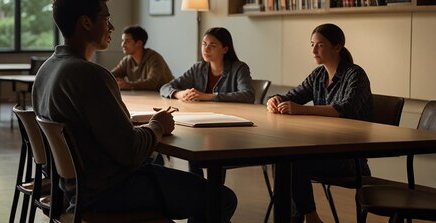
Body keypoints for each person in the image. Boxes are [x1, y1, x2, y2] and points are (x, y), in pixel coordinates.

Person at [32, 0, 237, 222]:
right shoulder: (91, 76)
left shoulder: (47, 70)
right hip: (109, 191)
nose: (111, 26)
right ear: (86, 22)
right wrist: (157, 125)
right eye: (105, 18)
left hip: (72, 188)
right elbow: (130, 152)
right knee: (221, 198)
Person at [266, 23, 373, 223]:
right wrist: (274, 99)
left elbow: (346, 109)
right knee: (283, 161)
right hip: (323, 151)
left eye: (320, 45)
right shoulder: (318, 75)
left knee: (292, 161)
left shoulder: (355, 74)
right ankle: (301, 218)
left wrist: (303, 109)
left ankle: (310, 217)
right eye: (312, 44)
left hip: (349, 159)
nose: (314, 50)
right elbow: (292, 96)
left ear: (337, 46)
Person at [160, 27, 255, 103]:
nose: (206, 49)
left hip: (232, 117)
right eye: (204, 44)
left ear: (225, 49)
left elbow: (248, 95)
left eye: (212, 45)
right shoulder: (198, 68)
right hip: (203, 115)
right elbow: (165, 88)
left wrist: (207, 96)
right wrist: (180, 94)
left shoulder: (239, 68)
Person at [111, 25, 174, 91]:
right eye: (122, 40)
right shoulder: (127, 60)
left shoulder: (155, 58)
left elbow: (151, 83)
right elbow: (111, 75)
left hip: (165, 97)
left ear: (139, 43)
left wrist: (127, 85)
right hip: (145, 96)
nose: (123, 44)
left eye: (127, 41)